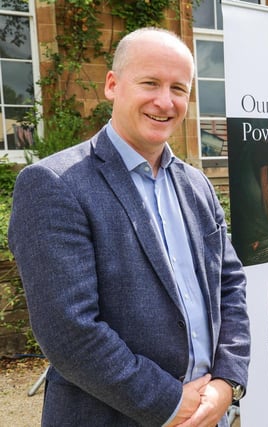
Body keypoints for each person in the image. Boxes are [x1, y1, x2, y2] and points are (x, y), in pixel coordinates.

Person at [8, 27, 250, 427]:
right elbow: (70, 332)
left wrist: (227, 383)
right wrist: (171, 403)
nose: (165, 101)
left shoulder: (197, 185)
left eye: (178, 88)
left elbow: (231, 285)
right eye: (150, 83)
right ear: (112, 85)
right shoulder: (54, 184)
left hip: (211, 414)